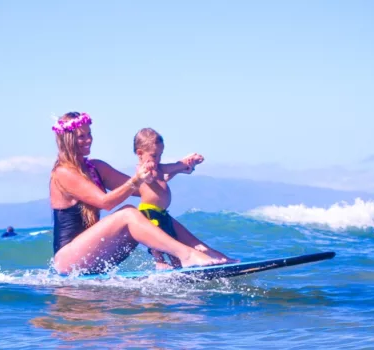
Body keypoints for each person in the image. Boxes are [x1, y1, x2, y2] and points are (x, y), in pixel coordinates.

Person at [48, 111, 225, 275]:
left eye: (90, 134)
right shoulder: (63, 172)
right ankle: (186, 255)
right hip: (69, 260)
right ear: (67, 139)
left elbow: (143, 190)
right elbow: (105, 202)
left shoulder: (96, 167)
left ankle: (207, 253)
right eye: (81, 136)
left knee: (152, 211)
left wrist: (177, 169)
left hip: (93, 254)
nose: (89, 140)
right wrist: (136, 179)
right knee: (128, 213)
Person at [132, 128, 239, 269]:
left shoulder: (159, 168)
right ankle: (160, 263)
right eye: (154, 155)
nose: (157, 160)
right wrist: (151, 173)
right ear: (140, 153)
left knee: (171, 239)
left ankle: (177, 266)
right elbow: (149, 179)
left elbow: (175, 167)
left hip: (162, 212)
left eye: (160, 155)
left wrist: (190, 162)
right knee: (157, 241)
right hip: (149, 211)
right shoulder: (142, 170)